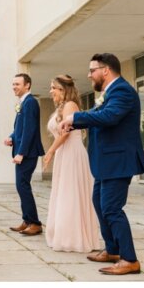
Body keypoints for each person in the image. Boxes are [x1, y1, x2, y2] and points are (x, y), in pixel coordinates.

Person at [59, 53, 144, 275]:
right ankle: (113, 249)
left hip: (118, 161)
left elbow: (108, 117)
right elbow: (97, 112)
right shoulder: (111, 92)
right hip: (107, 162)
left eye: (92, 70)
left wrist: (75, 118)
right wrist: (75, 123)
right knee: (99, 202)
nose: (89, 75)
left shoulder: (123, 91)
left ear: (105, 70)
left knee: (112, 208)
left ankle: (129, 259)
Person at [43, 75, 100, 253]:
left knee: (71, 193)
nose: (51, 91)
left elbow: (66, 132)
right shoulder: (61, 107)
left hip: (72, 153)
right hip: (64, 153)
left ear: (62, 89)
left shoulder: (70, 106)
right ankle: (64, 234)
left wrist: (51, 151)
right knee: (63, 193)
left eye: (53, 87)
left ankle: (73, 238)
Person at [5, 73, 45, 236]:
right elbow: (20, 129)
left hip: (27, 153)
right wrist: (11, 137)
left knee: (23, 186)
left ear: (27, 85)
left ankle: (35, 223)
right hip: (22, 151)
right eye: (13, 84)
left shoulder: (30, 103)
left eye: (17, 84)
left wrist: (21, 152)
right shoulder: (23, 103)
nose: (14, 87)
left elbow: (30, 130)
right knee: (21, 186)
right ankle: (27, 220)